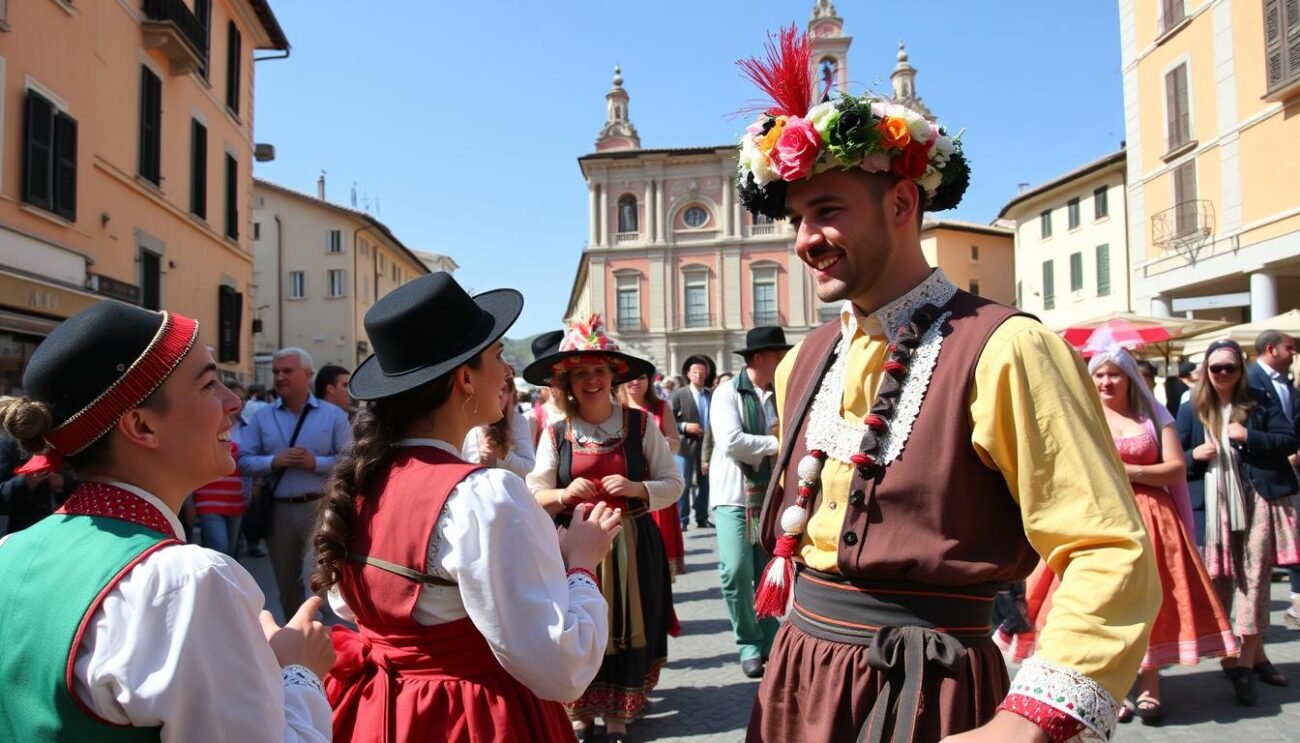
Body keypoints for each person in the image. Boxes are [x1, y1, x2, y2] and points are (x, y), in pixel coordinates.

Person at [734, 28, 1158, 742]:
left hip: (928, 691)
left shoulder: (1005, 346)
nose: (805, 237)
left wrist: (1028, 723)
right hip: (799, 680)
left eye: (829, 210)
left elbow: (1108, 550)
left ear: (903, 204)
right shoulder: (807, 359)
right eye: (800, 217)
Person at [0, 302, 333, 740]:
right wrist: (299, 671)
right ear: (141, 426)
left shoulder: (12, 553)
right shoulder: (186, 583)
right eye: (209, 385)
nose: (233, 402)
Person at [312, 273, 617, 742]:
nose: (508, 372)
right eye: (497, 357)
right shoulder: (484, 496)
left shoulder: (364, 481)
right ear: (464, 379)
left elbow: (350, 607)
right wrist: (580, 564)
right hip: (468, 716)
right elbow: (560, 664)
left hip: (378, 712)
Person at [1009, 343, 1235, 724]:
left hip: (1152, 520)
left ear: (1129, 379)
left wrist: (1130, 472)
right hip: (1097, 515)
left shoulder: (1153, 417)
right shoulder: (1082, 415)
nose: (1105, 381)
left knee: (1152, 602)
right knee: (1097, 602)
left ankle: (1150, 686)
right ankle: (1109, 688)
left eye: (1113, 374)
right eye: (1098, 374)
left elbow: (1177, 470)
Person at [525, 314, 684, 743]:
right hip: (574, 544)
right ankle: (581, 709)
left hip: (632, 540)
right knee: (577, 622)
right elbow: (534, 489)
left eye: (599, 370)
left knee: (629, 625)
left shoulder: (640, 425)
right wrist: (562, 494)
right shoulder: (556, 433)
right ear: (566, 383)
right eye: (581, 373)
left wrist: (637, 487)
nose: (591, 380)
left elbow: (674, 483)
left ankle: (619, 713)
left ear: (612, 375)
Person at [1177, 339, 1299, 705]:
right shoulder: (1191, 408)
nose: (1223, 375)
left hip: (1258, 498)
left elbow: (1288, 438)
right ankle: (1246, 656)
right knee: (1221, 581)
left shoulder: (1258, 400)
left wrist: (1250, 437)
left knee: (1256, 578)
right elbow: (1174, 456)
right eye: (1216, 369)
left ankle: (1244, 666)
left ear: (1240, 369)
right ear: (1206, 372)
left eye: (1230, 367)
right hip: (1214, 507)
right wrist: (1193, 455)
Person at [239, 347, 352, 620]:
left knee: (322, 581)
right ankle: (296, 639)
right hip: (280, 511)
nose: (279, 377)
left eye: (287, 371)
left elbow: (350, 461)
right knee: (287, 583)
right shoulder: (262, 417)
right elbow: (243, 461)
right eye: (276, 371)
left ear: (307, 374)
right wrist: (274, 461)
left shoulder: (332, 415)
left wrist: (316, 463)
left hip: (320, 507)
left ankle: (330, 643)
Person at [709, 327, 791, 679]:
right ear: (760, 358)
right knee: (736, 570)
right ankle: (747, 640)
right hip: (733, 496)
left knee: (768, 570)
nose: (785, 360)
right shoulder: (727, 392)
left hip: (773, 495)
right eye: (778, 355)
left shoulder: (784, 391)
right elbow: (731, 441)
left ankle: (769, 641)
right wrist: (778, 444)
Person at [1247, 330, 1300, 629]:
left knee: (1288, 547)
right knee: (1257, 562)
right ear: (1271, 349)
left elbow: (1291, 429)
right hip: (1259, 483)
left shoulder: (1288, 385)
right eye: (1290, 348)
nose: (1294, 353)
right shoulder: (1250, 381)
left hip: (1286, 476)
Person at [618, 370, 686, 578]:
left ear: (649, 380)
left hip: (655, 485)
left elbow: (675, 441)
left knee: (657, 552)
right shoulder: (614, 409)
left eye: (640, 377)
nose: (635, 381)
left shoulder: (660, 407)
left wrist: (659, 444)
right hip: (624, 484)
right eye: (630, 377)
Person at [462, 365, 537, 478]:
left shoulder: (518, 422)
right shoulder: (469, 420)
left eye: (503, 389)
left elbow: (529, 469)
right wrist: (479, 460)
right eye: (493, 387)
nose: (499, 394)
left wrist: (503, 455)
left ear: (510, 395)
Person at [1, 427, 77, 535]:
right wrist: (24, 482)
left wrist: (64, 483)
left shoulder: (63, 440)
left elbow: (87, 480)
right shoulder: (7, 445)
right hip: (21, 531)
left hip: (64, 527)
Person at [672, 354, 715, 530]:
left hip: (707, 447)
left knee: (705, 484)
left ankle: (702, 517)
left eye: (702, 373)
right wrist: (684, 426)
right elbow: (670, 422)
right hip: (685, 447)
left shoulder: (712, 395)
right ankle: (682, 520)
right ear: (689, 374)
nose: (699, 376)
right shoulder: (679, 395)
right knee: (684, 483)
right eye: (695, 372)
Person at [527, 331, 566, 448]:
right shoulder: (533, 417)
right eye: (549, 376)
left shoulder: (584, 411)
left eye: (561, 374)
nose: (555, 382)